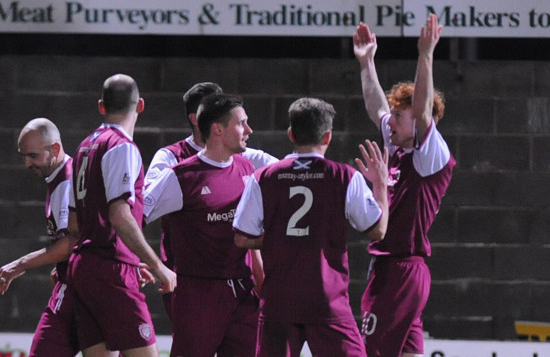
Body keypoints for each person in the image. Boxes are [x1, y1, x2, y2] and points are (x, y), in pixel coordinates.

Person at [232, 97, 389, 357]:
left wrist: (279, 236)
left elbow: (241, 238)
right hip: (326, 300)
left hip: (279, 301)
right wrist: (381, 185)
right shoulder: (345, 176)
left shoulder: (264, 176)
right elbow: (377, 230)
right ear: (327, 137)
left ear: (291, 134)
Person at [353, 14, 456, 357]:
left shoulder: (430, 154)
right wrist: (367, 61)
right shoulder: (399, 146)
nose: (390, 121)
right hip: (393, 267)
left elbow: (424, 113)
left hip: (401, 269)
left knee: (370, 351)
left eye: (400, 116)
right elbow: (375, 106)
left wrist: (425, 54)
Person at [144, 82, 277, 324]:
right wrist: (145, 261)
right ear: (200, 119)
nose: (247, 129)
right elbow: (139, 210)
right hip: (191, 280)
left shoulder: (243, 158)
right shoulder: (173, 161)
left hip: (239, 279)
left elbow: (284, 170)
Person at [66, 74, 176, 357]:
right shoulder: (121, 146)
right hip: (110, 269)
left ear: (101, 106)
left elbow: (75, 222)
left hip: (83, 267)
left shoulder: (83, 147)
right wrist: (156, 265)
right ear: (140, 105)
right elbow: (120, 216)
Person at [0, 118, 78, 357]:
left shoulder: (67, 181)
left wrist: (18, 265)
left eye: (32, 156)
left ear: (56, 149)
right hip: (81, 283)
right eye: (24, 156)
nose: (27, 163)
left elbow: (70, 244)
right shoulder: (61, 177)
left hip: (79, 289)